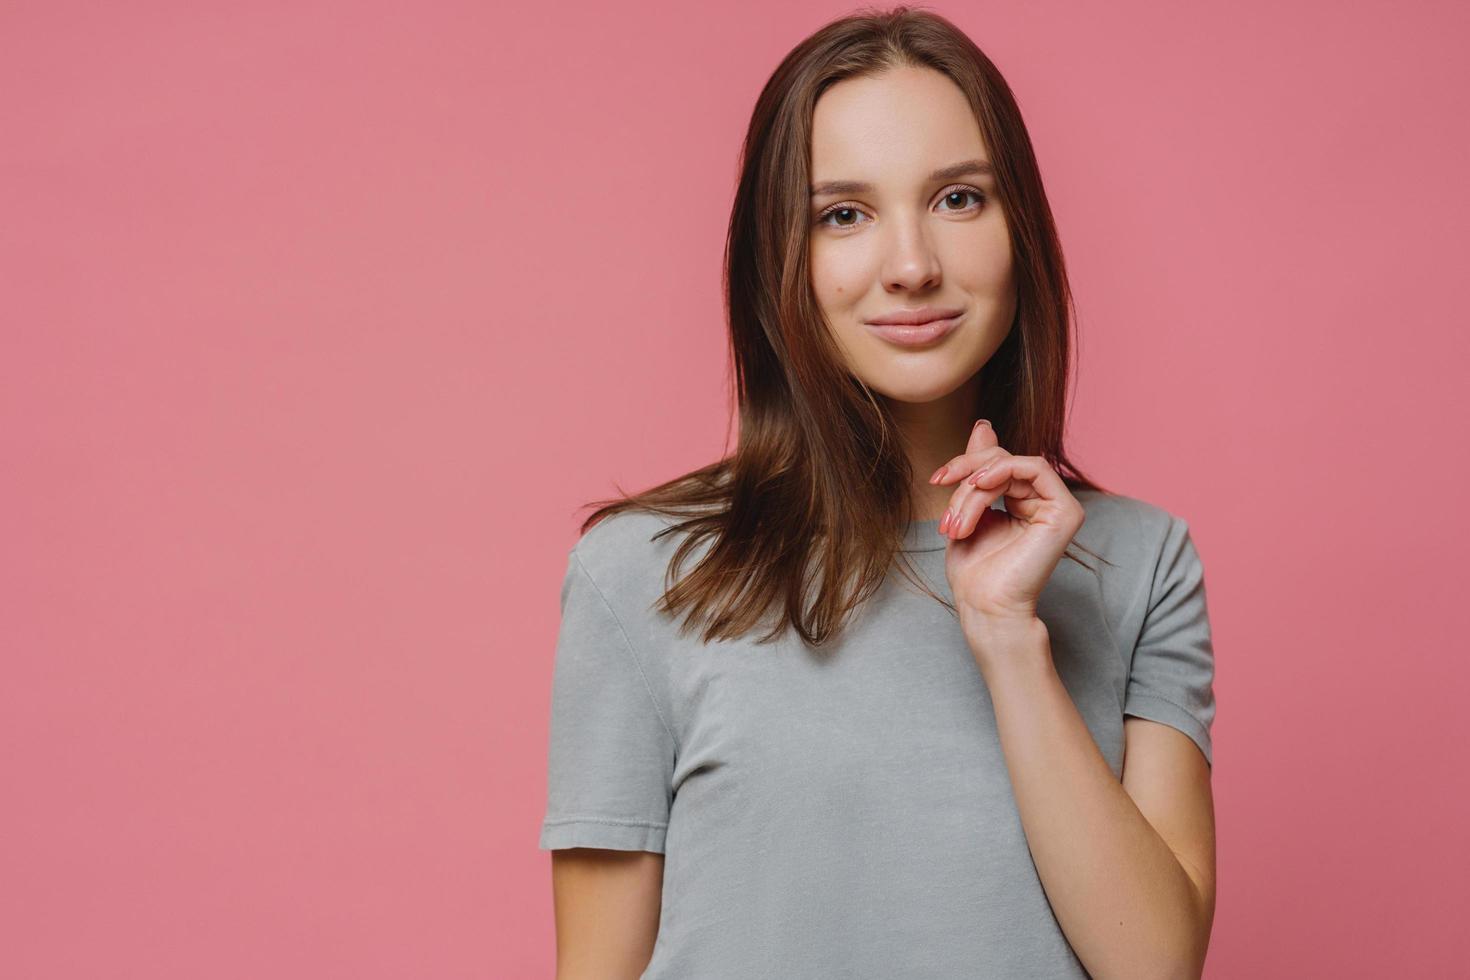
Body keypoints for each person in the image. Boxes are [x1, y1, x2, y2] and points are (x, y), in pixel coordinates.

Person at [537, 7, 1217, 979]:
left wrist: (1009, 638)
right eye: (843, 214)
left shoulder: (1141, 561)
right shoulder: (639, 573)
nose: (911, 266)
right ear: (782, 261)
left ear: (1020, 228)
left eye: (958, 198)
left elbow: (1154, 966)